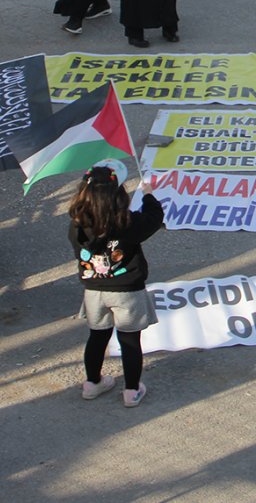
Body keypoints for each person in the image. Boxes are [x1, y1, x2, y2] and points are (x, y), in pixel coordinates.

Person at [66, 159, 164, 407]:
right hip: (127, 292)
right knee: (130, 341)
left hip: (94, 292)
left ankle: (92, 383)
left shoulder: (77, 226)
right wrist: (148, 194)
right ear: (118, 196)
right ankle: (132, 390)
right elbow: (154, 218)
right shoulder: (127, 223)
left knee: (97, 337)